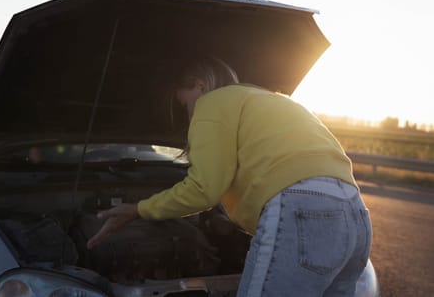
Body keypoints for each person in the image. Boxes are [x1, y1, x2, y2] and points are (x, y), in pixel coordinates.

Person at [87, 56, 372, 297]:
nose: (188, 112)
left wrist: (137, 210)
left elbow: (203, 190)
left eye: (184, 103)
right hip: (356, 216)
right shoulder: (272, 101)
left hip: (303, 211)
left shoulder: (213, 102)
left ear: (199, 85)